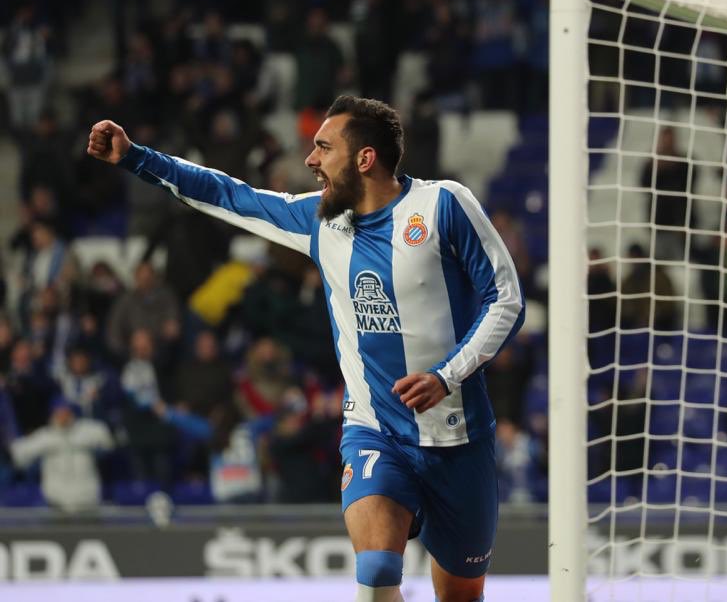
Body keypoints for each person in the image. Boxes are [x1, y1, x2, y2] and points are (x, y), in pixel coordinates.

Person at [86, 94, 524, 602]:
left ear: (365, 158)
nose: (311, 160)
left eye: (323, 147)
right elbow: (228, 193)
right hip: (375, 431)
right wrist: (137, 156)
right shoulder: (319, 224)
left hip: (458, 439)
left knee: (461, 596)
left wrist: (447, 375)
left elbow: (507, 299)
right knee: (379, 568)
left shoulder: (444, 204)